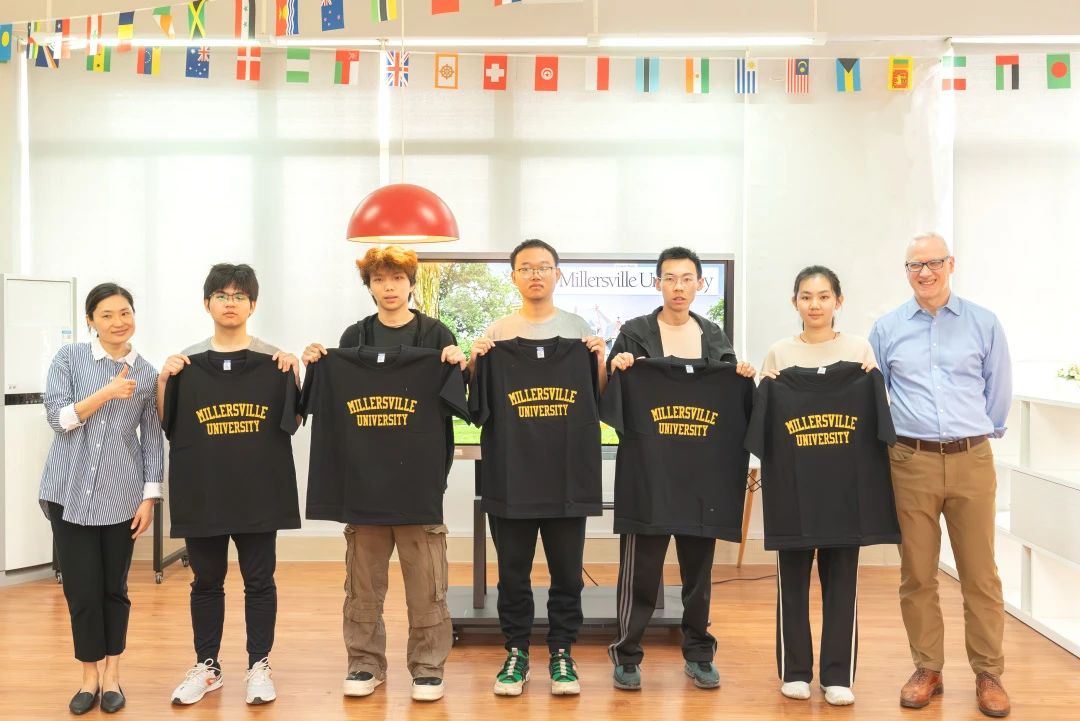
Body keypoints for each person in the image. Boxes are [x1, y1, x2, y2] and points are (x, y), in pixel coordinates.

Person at [302, 245, 466, 703]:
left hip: (418, 484)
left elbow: (460, 400)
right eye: (379, 279)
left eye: (396, 278)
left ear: (410, 284)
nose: (389, 287)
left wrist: (459, 363)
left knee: (426, 584)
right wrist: (317, 361)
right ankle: (365, 662)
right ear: (369, 286)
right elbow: (325, 401)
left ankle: (428, 666)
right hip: (364, 482)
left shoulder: (435, 335)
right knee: (363, 584)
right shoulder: (355, 336)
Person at [869, 233, 1013, 718]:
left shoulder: (983, 323)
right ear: (906, 271)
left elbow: (998, 390)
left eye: (933, 263)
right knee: (917, 573)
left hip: (972, 459)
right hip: (911, 461)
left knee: (980, 574)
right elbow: (875, 395)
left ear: (951, 264)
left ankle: (988, 673)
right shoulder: (887, 328)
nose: (925, 273)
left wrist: (978, 433)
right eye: (915, 265)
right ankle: (927, 668)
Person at [605, 246, 756, 692]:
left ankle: (699, 653)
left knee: (699, 575)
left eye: (687, 278)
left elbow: (732, 401)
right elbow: (610, 398)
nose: (678, 287)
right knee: (641, 573)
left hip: (702, 476)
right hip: (648, 475)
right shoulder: (634, 334)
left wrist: (742, 374)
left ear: (699, 284)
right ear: (657, 283)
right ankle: (627, 654)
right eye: (669, 278)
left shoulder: (713, 335)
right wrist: (617, 368)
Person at [156, 263, 300, 707]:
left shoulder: (276, 362)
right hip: (204, 492)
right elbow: (167, 423)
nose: (230, 303)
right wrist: (163, 379)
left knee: (260, 581)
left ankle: (259, 665)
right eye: (222, 295)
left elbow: (293, 422)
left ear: (253, 305)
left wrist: (295, 373)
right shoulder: (185, 365)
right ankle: (207, 667)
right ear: (207, 304)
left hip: (259, 492)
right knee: (206, 582)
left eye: (239, 296)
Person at [469, 238, 607, 697]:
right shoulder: (498, 335)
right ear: (513, 276)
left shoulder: (579, 331)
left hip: (568, 478)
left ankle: (563, 651)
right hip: (511, 478)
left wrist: (599, 359)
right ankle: (516, 651)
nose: (535, 274)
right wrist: (475, 361)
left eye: (544, 267)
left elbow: (600, 400)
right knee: (513, 574)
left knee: (567, 574)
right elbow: (476, 406)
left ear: (557, 274)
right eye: (526, 267)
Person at [39, 283, 163, 715]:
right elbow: (58, 418)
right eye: (106, 315)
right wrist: (107, 392)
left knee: (114, 589)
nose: (118, 322)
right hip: (68, 492)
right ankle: (88, 677)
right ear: (90, 320)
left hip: (121, 497)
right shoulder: (69, 359)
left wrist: (150, 497)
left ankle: (112, 676)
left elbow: (152, 440)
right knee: (82, 592)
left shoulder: (147, 373)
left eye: (125, 312)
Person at [757, 265, 877, 707]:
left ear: (838, 301)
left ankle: (838, 675)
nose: (815, 304)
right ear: (795, 302)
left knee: (842, 583)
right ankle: (795, 671)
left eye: (823, 296)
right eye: (806, 296)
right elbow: (764, 422)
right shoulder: (779, 353)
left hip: (845, 489)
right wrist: (766, 387)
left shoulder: (859, 351)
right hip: (793, 489)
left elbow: (875, 418)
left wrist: (871, 379)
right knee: (792, 583)